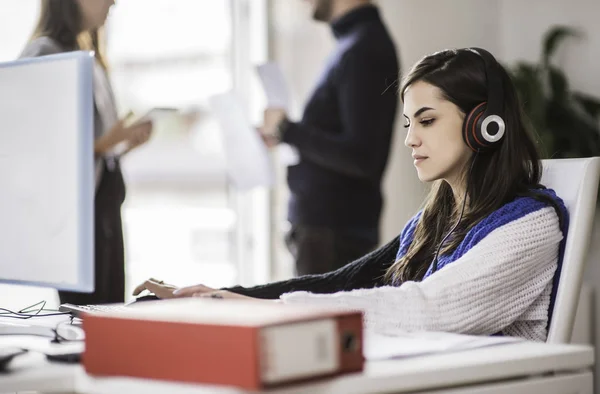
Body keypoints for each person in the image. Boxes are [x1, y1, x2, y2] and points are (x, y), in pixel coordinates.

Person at [134, 48, 569, 341]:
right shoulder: (436, 221)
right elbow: (340, 282)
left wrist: (246, 309)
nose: (410, 140)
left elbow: (431, 310)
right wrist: (222, 297)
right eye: (407, 124)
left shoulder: (530, 225)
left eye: (428, 120)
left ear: (485, 125)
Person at [21, 0, 153, 305]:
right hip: (76, 219)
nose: (113, 3)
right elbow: (37, 148)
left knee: (110, 316)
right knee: (84, 322)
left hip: (104, 210)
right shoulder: (45, 54)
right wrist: (106, 144)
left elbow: (95, 152)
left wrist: (123, 144)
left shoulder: (91, 59)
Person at [261, 0, 400, 275]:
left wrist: (289, 130)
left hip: (333, 233)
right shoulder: (354, 44)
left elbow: (362, 156)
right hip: (327, 232)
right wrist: (286, 134)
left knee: (316, 318)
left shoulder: (364, 48)